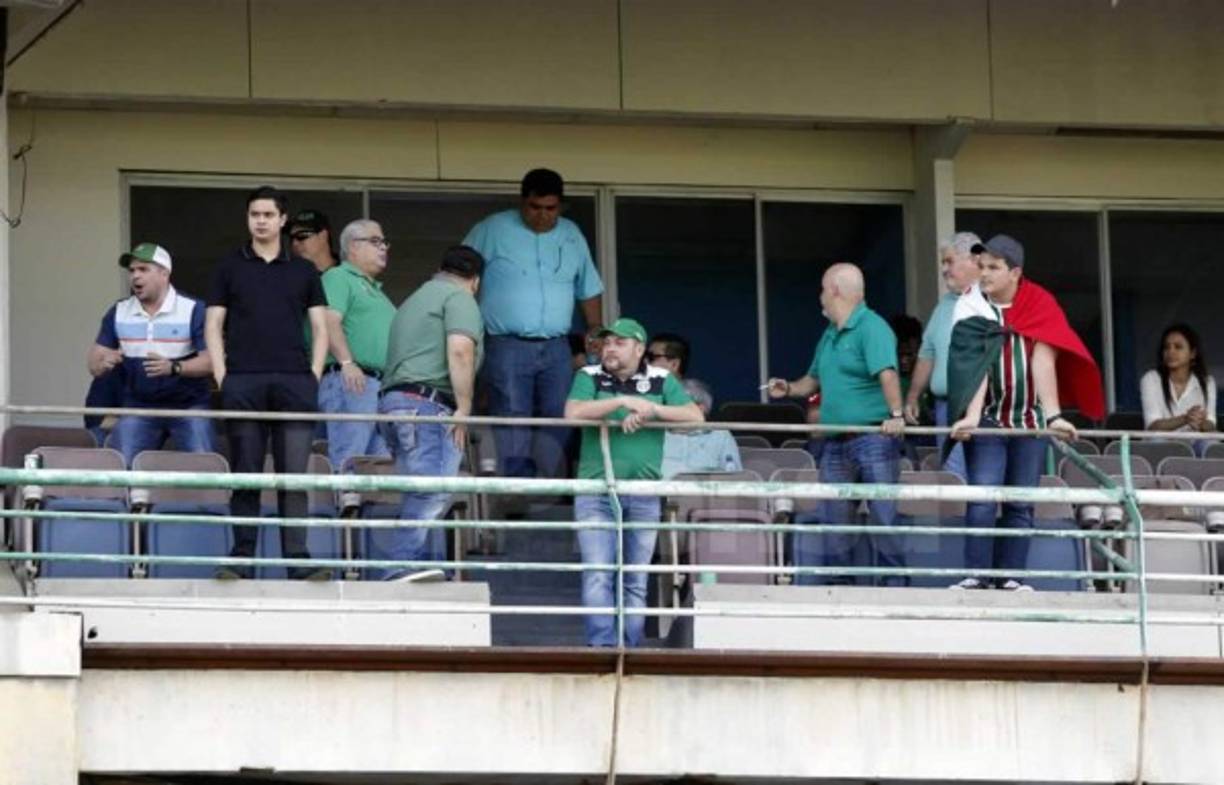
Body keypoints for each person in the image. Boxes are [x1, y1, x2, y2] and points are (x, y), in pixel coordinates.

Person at [947, 234, 1104, 591]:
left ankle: (1012, 578)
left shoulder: (1039, 303)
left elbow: (1043, 361)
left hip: (1029, 421)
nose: (984, 274)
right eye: (982, 266)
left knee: (1020, 502)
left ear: (1015, 273)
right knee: (983, 498)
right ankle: (976, 575)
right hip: (988, 419)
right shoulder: (970, 304)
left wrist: (1053, 416)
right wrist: (972, 416)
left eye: (993, 267)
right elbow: (975, 366)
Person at [206, 185, 330, 581]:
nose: (260, 221)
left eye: (268, 215)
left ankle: (299, 561)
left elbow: (321, 327)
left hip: (295, 382)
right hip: (243, 382)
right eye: (254, 214)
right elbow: (213, 324)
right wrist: (223, 376)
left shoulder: (304, 270)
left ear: (282, 220)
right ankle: (241, 559)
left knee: (294, 479)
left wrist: (313, 374)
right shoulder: (229, 265)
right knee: (246, 476)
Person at [767, 263, 907, 587]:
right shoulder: (829, 333)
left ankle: (895, 588)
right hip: (833, 442)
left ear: (834, 290)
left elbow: (887, 374)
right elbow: (812, 381)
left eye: (822, 289)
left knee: (884, 518)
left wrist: (896, 415)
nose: (820, 297)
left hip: (874, 438)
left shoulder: (872, 327)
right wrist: (788, 388)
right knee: (835, 523)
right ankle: (840, 589)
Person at [565, 317, 702, 647]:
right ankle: (602, 648)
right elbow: (572, 413)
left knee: (635, 579)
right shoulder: (589, 375)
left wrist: (651, 410)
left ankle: (630, 649)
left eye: (619, 343)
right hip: (596, 491)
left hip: (643, 492)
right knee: (598, 573)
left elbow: (695, 417)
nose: (609, 348)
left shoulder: (661, 378)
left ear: (639, 349)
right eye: (606, 343)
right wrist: (621, 402)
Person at [463, 168, 604, 480]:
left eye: (550, 208)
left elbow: (588, 287)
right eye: (535, 207)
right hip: (506, 343)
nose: (542, 215)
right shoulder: (492, 229)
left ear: (560, 206)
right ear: (522, 202)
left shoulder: (571, 234)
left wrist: (595, 329)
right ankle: (518, 486)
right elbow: (460, 277)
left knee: (561, 412)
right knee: (512, 412)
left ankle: (552, 482)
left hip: (557, 346)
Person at [377, 246, 485, 582]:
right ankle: (400, 565)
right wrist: (464, 407)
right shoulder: (459, 298)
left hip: (395, 404)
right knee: (432, 489)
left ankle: (409, 564)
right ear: (475, 281)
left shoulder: (415, 299)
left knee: (417, 491)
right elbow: (461, 350)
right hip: (426, 404)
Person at [87, 243, 215, 466]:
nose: (135, 276)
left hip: (188, 406)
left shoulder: (193, 309)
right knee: (120, 467)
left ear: (164, 273)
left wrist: (175, 368)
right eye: (132, 270)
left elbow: (212, 362)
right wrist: (102, 363)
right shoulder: (119, 311)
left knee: (204, 468)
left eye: (143, 269)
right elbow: (94, 362)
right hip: (139, 406)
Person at [318, 219, 397, 473]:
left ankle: (362, 501)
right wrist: (347, 363)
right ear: (353, 246)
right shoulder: (338, 276)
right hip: (353, 381)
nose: (383, 247)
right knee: (349, 456)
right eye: (375, 241)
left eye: (384, 242)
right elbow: (328, 321)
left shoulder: (377, 291)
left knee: (379, 465)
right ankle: (344, 499)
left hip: (379, 387)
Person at [904, 232, 981, 479]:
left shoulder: (991, 300)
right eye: (943, 263)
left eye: (949, 262)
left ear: (973, 260)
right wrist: (913, 397)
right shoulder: (944, 305)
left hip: (985, 409)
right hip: (946, 407)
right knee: (953, 478)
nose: (944, 269)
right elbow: (927, 354)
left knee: (984, 479)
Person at [1140, 323, 1217, 436]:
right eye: (1167, 347)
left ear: (1192, 353)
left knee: (1209, 443)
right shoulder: (1151, 379)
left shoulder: (1207, 382)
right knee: (1157, 441)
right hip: (1161, 444)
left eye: (1178, 347)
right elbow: (1152, 426)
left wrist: (1201, 423)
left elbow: (1211, 424)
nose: (1171, 352)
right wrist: (1186, 418)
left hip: (1193, 442)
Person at [660, 378, 742, 478]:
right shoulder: (657, 434)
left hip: (706, 488)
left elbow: (733, 477)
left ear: (701, 409)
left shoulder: (720, 436)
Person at [288, 209, 339, 274]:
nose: (294, 243)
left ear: (323, 236)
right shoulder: (289, 276)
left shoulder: (349, 272)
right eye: (291, 238)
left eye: (302, 235)